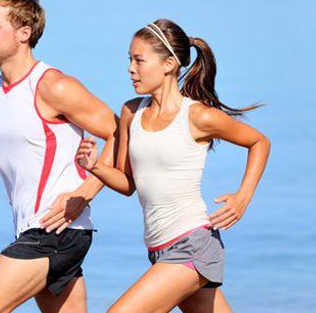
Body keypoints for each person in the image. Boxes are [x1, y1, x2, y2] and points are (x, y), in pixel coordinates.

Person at [0, 0, 118, 312]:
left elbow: (119, 132)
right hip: (40, 228)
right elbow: (22, 150)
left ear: (24, 32)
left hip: (54, 230)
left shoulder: (52, 86)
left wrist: (86, 193)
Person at [74, 19, 270, 312]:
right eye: (130, 59)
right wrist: (95, 167)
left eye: (139, 60)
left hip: (192, 244)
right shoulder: (132, 112)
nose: (130, 68)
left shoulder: (197, 117)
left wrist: (242, 198)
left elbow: (259, 142)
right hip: (158, 249)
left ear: (168, 64)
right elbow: (128, 184)